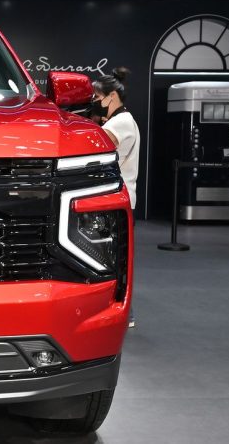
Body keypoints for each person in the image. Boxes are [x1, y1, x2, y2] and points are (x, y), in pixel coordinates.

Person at [89, 67, 140, 327]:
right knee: (116, 258)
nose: (95, 102)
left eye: (98, 97)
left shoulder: (120, 123)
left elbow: (98, 155)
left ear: (111, 96)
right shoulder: (123, 120)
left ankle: (121, 313)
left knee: (114, 260)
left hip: (117, 200)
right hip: (122, 199)